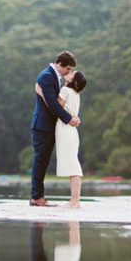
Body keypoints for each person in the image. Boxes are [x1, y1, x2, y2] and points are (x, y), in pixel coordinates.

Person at [30, 51, 80, 206]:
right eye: (68, 69)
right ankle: (37, 197)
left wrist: (71, 117)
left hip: (49, 125)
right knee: (40, 160)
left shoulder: (54, 77)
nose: (69, 72)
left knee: (43, 161)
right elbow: (52, 104)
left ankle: (38, 196)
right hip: (42, 125)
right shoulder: (47, 76)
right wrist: (69, 119)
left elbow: (57, 103)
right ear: (60, 64)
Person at [37, 69, 87, 208]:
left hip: (65, 130)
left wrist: (41, 93)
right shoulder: (76, 93)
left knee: (73, 167)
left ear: (73, 80)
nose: (69, 73)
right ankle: (75, 200)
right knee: (74, 165)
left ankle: (74, 201)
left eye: (72, 74)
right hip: (72, 131)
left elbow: (54, 108)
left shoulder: (65, 90)